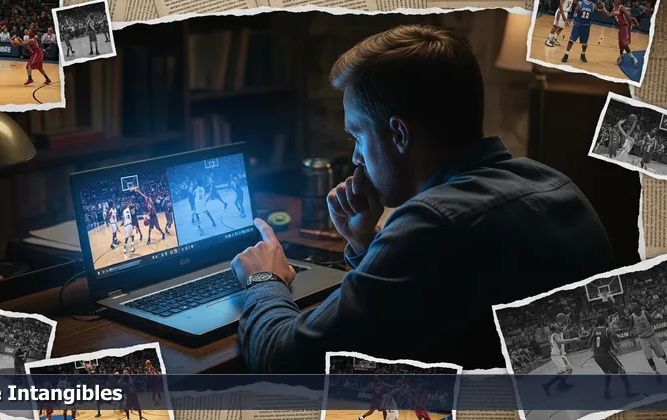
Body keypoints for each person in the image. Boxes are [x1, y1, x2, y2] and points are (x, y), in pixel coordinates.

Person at [231, 24, 617, 373]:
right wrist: (368, 243)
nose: (355, 158)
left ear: (399, 133)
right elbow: (426, 300)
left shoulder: (434, 223)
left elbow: (284, 360)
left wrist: (263, 278)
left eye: (357, 135)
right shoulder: (555, 184)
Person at [588, 315, 636, 399]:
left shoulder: (595, 330)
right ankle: (628, 391)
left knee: (608, 373)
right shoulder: (607, 330)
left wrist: (596, 350)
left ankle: (606, 393)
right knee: (621, 370)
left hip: (597, 356)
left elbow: (589, 343)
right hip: (605, 354)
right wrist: (615, 337)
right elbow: (616, 338)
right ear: (604, 321)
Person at [629, 304, 667, 372]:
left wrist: (651, 325)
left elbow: (652, 321)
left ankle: (665, 359)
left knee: (661, 353)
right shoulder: (632, 316)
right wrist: (631, 333)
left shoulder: (645, 312)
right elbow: (630, 327)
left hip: (652, 335)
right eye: (636, 312)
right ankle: (656, 372)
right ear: (634, 311)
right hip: (643, 338)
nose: (638, 313)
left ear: (640, 309)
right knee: (649, 357)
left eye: (638, 311)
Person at [602, 0, 639, 67]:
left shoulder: (621, 7)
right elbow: (610, 15)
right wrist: (603, 9)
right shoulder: (614, 8)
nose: (614, 2)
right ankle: (621, 56)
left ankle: (633, 58)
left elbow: (628, 15)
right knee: (620, 43)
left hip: (625, 27)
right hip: (621, 27)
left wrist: (631, 23)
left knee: (624, 44)